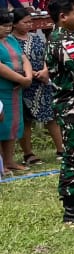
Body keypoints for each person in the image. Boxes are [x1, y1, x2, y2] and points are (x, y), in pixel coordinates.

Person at [46, 0, 74, 225]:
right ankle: (71, 208)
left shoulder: (72, 36)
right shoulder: (62, 40)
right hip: (71, 106)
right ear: (63, 17)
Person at [13, 8, 61, 165]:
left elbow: (46, 55)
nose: (28, 25)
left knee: (51, 117)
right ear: (14, 24)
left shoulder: (36, 37)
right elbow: (15, 62)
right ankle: (28, 154)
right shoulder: (11, 41)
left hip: (43, 82)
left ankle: (61, 149)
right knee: (26, 120)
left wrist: (45, 71)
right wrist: (32, 74)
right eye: (24, 22)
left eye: (30, 21)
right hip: (25, 83)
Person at [0, 10, 33, 172]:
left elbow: (23, 58)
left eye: (8, 25)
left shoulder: (11, 39)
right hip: (2, 89)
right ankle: (1, 164)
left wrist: (27, 77)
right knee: (1, 125)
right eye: (3, 26)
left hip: (15, 91)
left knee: (12, 126)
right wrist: (21, 79)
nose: (7, 29)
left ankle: (9, 160)